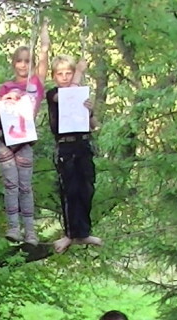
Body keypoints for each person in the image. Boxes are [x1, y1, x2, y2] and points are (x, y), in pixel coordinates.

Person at [0, 23, 49, 245]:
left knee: (25, 187)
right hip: (4, 140)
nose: (23, 65)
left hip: (24, 142)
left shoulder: (35, 85)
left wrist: (44, 25)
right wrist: (5, 99)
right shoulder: (6, 86)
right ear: (13, 63)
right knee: (11, 185)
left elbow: (44, 53)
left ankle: (30, 232)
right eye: (19, 60)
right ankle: (13, 228)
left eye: (27, 61)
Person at [46, 54, 101, 254]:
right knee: (70, 191)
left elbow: (94, 125)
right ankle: (70, 234)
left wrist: (90, 111)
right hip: (66, 147)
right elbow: (66, 97)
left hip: (83, 145)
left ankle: (84, 232)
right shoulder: (54, 94)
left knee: (86, 188)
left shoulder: (80, 95)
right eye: (60, 73)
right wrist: (79, 71)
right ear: (54, 76)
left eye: (68, 73)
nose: (65, 77)